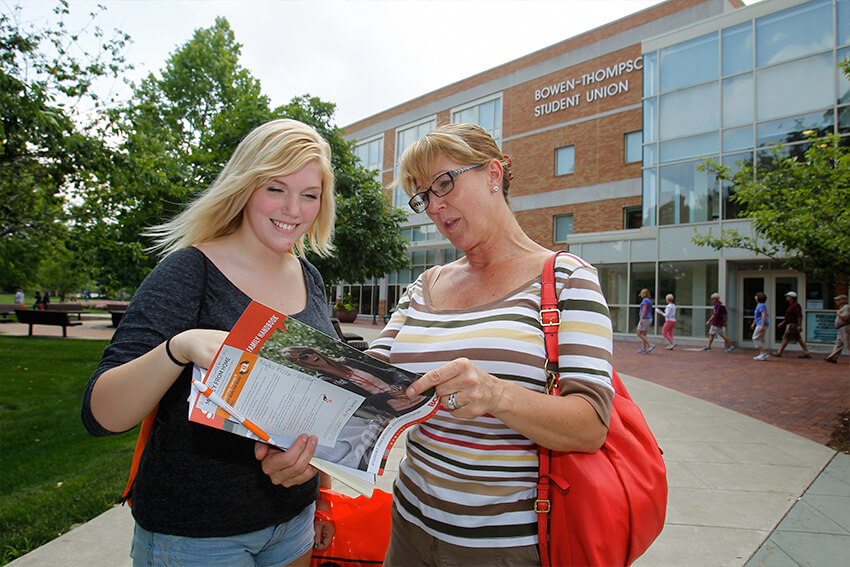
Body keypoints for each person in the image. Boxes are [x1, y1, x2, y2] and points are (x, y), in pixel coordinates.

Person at [82, 119, 338, 567]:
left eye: (310, 194)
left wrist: (323, 497)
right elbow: (102, 414)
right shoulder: (188, 272)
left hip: (292, 522)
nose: (294, 209)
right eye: (276, 188)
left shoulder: (310, 277)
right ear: (244, 186)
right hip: (197, 537)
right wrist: (178, 348)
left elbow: (320, 399)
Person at [363, 123, 613, 565]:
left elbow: (591, 426)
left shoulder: (567, 278)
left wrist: (498, 394)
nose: (435, 206)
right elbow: (367, 376)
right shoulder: (425, 284)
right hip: (408, 529)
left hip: (504, 546)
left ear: (494, 174)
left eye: (445, 183)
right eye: (423, 196)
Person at [773, 291, 812, 358]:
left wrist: (799, 325)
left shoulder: (796, 305)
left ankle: (779, 352)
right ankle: (806, 352)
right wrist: (783, 323)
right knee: (798, 338)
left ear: (791, 297)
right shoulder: (791, 305)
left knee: (786, 337)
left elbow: (799, 316)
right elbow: (788, 317)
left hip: (793, 325)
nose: (787, 298)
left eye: (788, 296)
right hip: (790, 323)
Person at [825, 294, 849, 363]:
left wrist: (839, 313)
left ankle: (832, 357)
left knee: (847, 343)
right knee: (839, 343)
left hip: (845, 327)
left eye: (838, 300)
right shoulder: (842, 308)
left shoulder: (846, 307)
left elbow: (846, 317)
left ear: (844, 301)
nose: (836, 301)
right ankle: (832, 357)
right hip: (840, 328)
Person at [636, 288, 655, 354]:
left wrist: (641, 318)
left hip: (645, 318)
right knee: (644, 334)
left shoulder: (645, 301)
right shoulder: (650, 300)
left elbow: (644, 309)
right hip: (649, 318)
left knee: (639, 333)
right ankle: (644, 349)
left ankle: (650, 344)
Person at [751, 292, 769, 361]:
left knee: (755, 337)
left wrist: (762, 326)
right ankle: (762, 354)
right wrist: (753, 323)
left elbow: (763, 315)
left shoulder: (762, 305)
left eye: (756, 296)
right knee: (761, 338)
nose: (755, 297)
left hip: (762, 324)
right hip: (759, 323)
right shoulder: (758, 305)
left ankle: (764, 353)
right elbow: (756, 316)